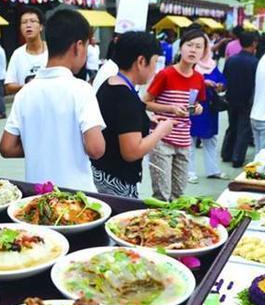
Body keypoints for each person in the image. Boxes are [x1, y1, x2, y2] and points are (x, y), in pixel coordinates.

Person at [0, 9, 105, 191]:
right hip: (77, 199)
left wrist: (40, 146)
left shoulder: (26, 92)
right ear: (78, 46)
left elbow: (7, 148)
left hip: (39, 197)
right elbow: (96, 149)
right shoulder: (81, 89)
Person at [91, 32, 175, 198]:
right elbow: (131, 151)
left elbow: (117, 122)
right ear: (141, 61)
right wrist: (161, 131)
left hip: (102, 172)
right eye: (154, 62)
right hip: (117, 180)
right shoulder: (126, 97)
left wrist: (144, 120)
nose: (156, 70)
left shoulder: (110, 83)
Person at [144, 29, 206, 201]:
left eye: (198, 47)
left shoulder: (199, 78)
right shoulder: (165, 74)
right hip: (161, 141)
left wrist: (197, 109)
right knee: (162, 195)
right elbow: (145, 103)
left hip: (184, 141)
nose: (193, 50)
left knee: (178, 195)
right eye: (190, 45)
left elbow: (195, 105)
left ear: (203, 52)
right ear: (181, 48)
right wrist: (170, 109)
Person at [188, 45, 228, 184]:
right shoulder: (191, 66)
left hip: (210, 107)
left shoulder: (212, 65)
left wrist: (219, 85)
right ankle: (189, 171)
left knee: (211, 138)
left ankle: (213, 169)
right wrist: (203, 82)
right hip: (195, 104)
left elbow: (223, 80)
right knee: (190, 138)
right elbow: (188, 83)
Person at [221, 31, 259, 168]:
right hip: (247, 99)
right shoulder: (255, 62)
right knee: (243, 129)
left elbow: (225, 78)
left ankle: (226, 153)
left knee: (232, 126)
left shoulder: (232, 59)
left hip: (231, 97)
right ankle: (237, 157)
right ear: (254, 43)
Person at [4, 7, 48, 94]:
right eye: (24, 22)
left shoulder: (53, 50)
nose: (28, 25)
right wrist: (27, 87)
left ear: (41, 27)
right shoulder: (17, 54)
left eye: (32, 21)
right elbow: (8, 86)